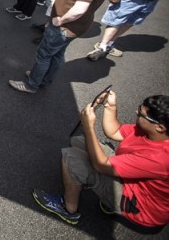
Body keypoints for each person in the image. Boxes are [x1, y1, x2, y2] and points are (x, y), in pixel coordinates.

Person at [32, 91, 169, 229]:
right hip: (133, 181)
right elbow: (115, 131)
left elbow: (100, 164)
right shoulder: (150, 132)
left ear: (160, 127)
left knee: (71, 158)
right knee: (78, 141)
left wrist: (88, 126)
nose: (136, 112)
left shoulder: (159, 158)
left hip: (139, 205)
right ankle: (96, 190)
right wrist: (110, 106)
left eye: (141, 113)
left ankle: (68, 209)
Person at [8, 0, 116, 93]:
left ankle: (31, 84)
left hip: (65, 27)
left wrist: (60, 20)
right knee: (57, 54)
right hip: (75, 27)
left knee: (44, 54)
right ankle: (44, 79)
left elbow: (80, 8)